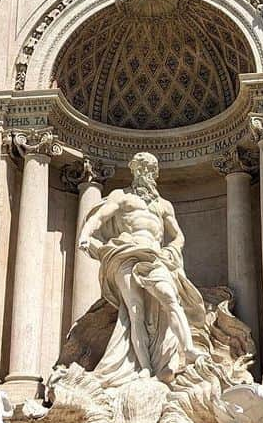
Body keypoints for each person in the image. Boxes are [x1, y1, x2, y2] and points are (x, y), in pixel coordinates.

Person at [78, 152, 209, 385]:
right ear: (134, 171)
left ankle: (187, 349)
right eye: (141, 169)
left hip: (155, 256)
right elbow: (98, 219)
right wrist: (86, 235)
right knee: (135, 311)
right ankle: (145, 367)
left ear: (155, 174)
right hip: (126, 254)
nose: (145, 173)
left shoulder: (163, 205)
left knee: (170, 298)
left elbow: (178, 236)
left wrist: (173, 249)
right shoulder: (121, 197)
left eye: (149, 169)